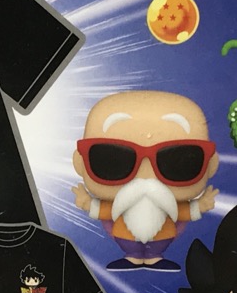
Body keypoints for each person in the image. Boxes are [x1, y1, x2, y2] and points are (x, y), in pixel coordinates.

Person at [71, 91, 218, 272]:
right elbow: (104, 210)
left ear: (210, 165)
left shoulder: (169, 205)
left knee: (156, 250)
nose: (145, 177)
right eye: (113, 159)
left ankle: (154, 258)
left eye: (177, 160)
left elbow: (183, 212)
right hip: (125, 237)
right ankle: (132, 257)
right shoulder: (119, 203)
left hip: (162, 237)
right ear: (80, 163)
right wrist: (87, 203)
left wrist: (200, 205)